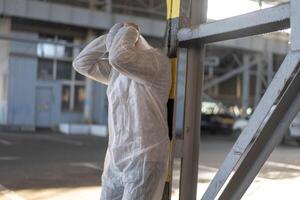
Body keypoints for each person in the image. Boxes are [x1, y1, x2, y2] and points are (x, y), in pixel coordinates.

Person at [73, 22, 171, 200]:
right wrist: (109, 38)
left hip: (145, 158)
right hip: (116, 157)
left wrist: (131, 30)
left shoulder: (156, 62)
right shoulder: (118, 72)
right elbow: (82, 63)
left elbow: (119, 58)